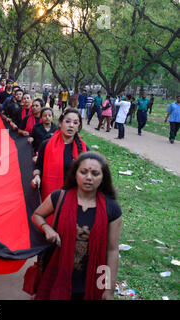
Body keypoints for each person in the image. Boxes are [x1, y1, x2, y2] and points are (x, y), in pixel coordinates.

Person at [32, 151, 122, 300]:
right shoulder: (59, 197)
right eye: (83, 172)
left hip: (93, 277)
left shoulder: (112, 208)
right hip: (57, 273)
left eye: (95, 174)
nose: (88, 177)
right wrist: (47, 228)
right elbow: (37, 215)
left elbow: (112, 251)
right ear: (75, 174)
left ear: (103, 178)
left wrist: (108, 289)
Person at [32, 108, 88, 202]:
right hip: (49, 197)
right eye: (67, 121)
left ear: (79, 126)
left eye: (75, 123)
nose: (71, 125)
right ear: (60, 123)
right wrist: (37, 177)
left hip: (72, 198)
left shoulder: (83, 149)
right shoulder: (46, 144)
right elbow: (38, 166)